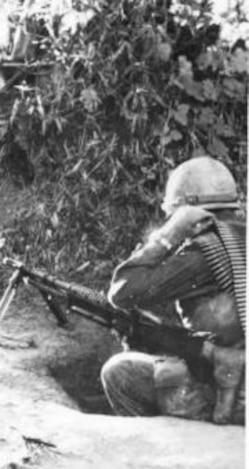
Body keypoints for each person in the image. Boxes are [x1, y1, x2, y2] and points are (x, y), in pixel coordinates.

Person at [102, 155, 245, 425]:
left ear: (187, 210)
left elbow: (122, 292)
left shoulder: (206, 251)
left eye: (172, 213)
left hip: (237, 394)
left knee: (120, 373)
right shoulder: (240, 237)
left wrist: (169, 233)